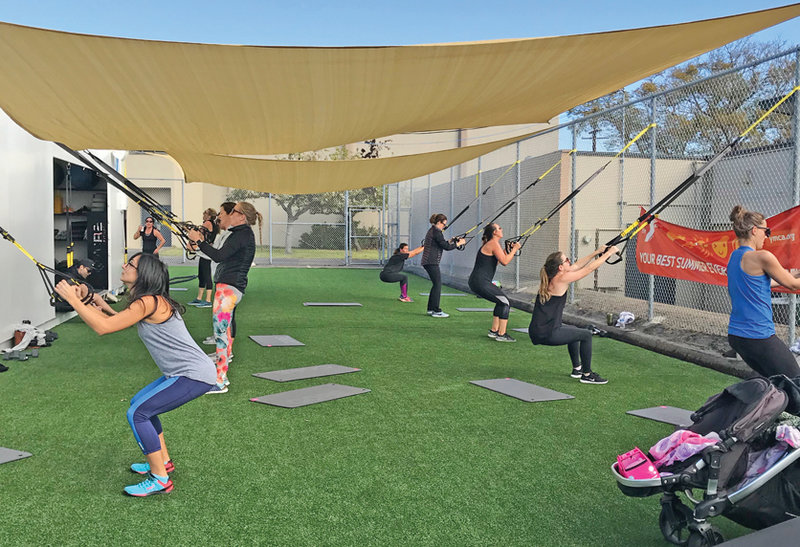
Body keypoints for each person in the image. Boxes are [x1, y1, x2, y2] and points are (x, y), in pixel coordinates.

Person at [54, 252, 215, 497]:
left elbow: (104, 327)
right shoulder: (148, 301)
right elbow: (115, 320)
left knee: (138, 412)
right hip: (184, 373)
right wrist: (88, 302)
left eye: (131, 264)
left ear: (144, 274)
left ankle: (160, 478)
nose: (124, 265)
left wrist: (73, 301)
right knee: (139, 404)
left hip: (193, 374)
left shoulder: (148, 302)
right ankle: (163, 461)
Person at [187, 201, 261, 393]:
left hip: (229, 289)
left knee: (221, 335)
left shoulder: (241, 235)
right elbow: (219, 255)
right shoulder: (240, 234)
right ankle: (221, 377)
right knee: (224, 333)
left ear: (241, 216)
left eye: (233, 212)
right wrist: (198, 245)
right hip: (229, 288)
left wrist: (200, 241)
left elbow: (219, 256)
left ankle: (220, 381)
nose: (226, 215)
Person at [726, 205, 800, 378]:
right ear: (754, 230)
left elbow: (758, 282)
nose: (767, 236)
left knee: (769, 383)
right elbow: (793, 286)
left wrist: (792, 274)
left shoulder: (735, 257)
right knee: (795, 383)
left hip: (737, 336)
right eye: (766, 231)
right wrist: (792, 278)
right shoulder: (762, 257)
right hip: (758, 336)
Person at [530, 246, 619, 384]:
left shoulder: (553, 276)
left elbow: (577, 265)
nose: (570, 262)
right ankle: (587, 374)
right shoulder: (561, 279)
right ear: (560, 267)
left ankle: (577, 369)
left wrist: (597, 252)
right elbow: (588, 270)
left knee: (574, 331)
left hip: (540, 330)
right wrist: (609, 254)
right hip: (547, 333)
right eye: (567, 260)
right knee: (586, 335)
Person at [468, 224, 521, 342]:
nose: (501, 229)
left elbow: (495, 262)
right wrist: (515, 249)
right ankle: (501, 334)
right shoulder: (493, 244)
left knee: (500, 301)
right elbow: (505, 261)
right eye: (499, 228)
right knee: (505, 302)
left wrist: (507, 249)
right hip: (480, 282)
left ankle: (494, 331)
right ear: (494, 233)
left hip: (477, 281)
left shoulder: (492, 244)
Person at [421, 213, 465, 318]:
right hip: (431, 262)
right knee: (437, 284)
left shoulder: (433, 230)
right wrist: (458, 243)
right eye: (444, 224)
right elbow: (446, 247)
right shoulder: (436, 232)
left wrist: (451, 241)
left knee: (436, 284)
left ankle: (431, 309)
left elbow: (441, 243)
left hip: (429, 262)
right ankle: (436, 310)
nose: (444, 226)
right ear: (439, 222)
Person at [188, 208, 219, 308]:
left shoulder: (208, 222)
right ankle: (199, 298)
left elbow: (199, 233)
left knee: (206, 275)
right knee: (201, 275)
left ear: (209, 216)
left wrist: (190, 231)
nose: (203, 214)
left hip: (206, 252)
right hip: (203, 252)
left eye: (205, 213)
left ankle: (208, 300)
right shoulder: (210, 224)